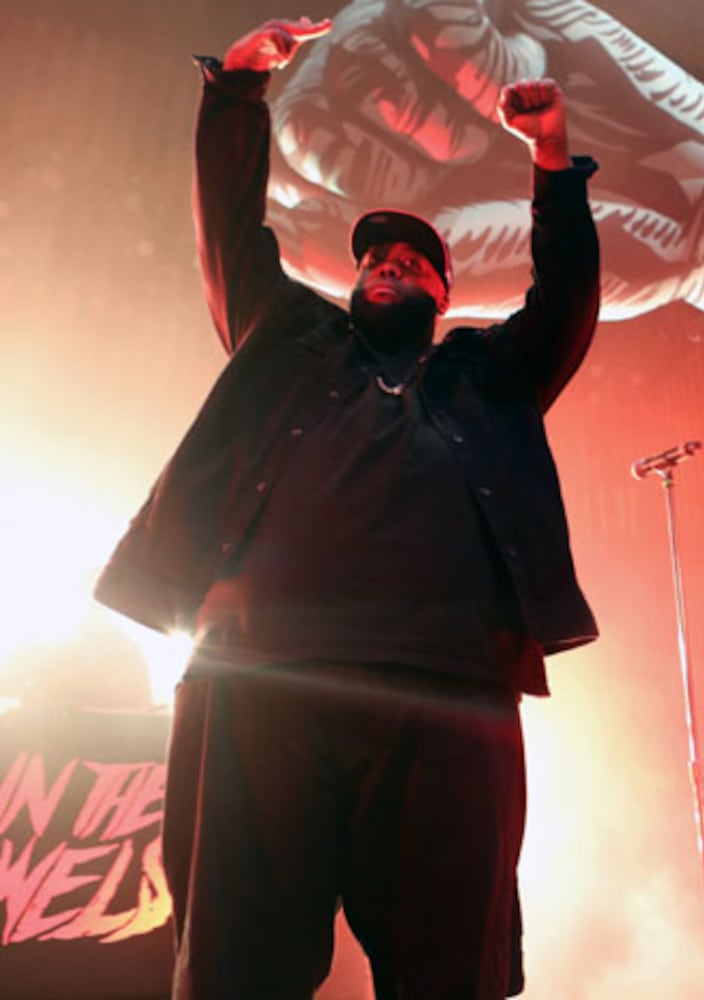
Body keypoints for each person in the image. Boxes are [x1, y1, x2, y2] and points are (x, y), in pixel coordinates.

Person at [94, 15, 601, 1000]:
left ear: (445, 293)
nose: (389, 263)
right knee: (243, 960)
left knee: (449, 965)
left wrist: (547, 160)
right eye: (374, 257)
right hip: (263, 671)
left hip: (446, 690)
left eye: (413, 261)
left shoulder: (486, 376)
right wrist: (238, 91)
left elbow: (568, 295)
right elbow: (232, 230)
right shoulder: (286, 341)